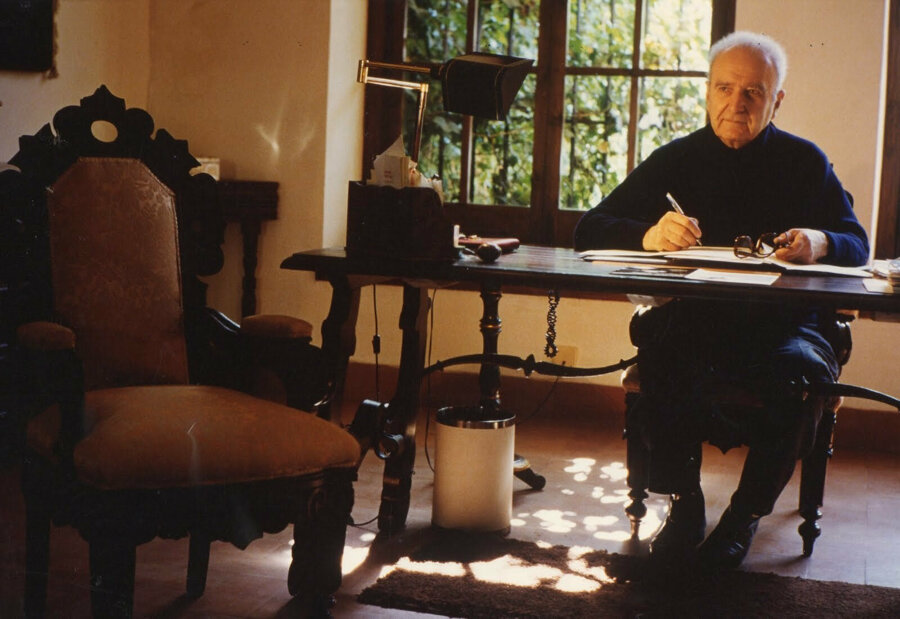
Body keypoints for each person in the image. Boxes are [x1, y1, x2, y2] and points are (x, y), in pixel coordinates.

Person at [573, 31, 869, 570]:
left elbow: (857, 243)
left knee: (798, 378)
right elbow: (589, 228)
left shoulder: (805, 162)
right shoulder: (676, 158)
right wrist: (649, 235)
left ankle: (743, 517)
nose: (737, 104)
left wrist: (819, 241)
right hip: (697, 323)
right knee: (662, 356)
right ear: (707, 92)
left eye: (754, 92)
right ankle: (684, 505)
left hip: (786, 328)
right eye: (725, 88)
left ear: (777, 100)